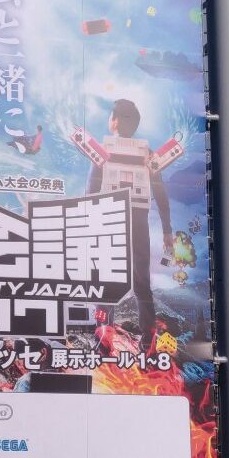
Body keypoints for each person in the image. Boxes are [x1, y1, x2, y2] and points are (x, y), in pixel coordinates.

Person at [85, 99, 173, 352]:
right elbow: (161, 194)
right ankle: (148, 340)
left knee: (105, 280)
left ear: (114, 121)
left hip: (109, 218)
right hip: (139, 221)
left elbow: (91, 190)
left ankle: (103, 339)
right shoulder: (148, 154)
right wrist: (167, 229)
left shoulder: (103, 151)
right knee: (142, 282)